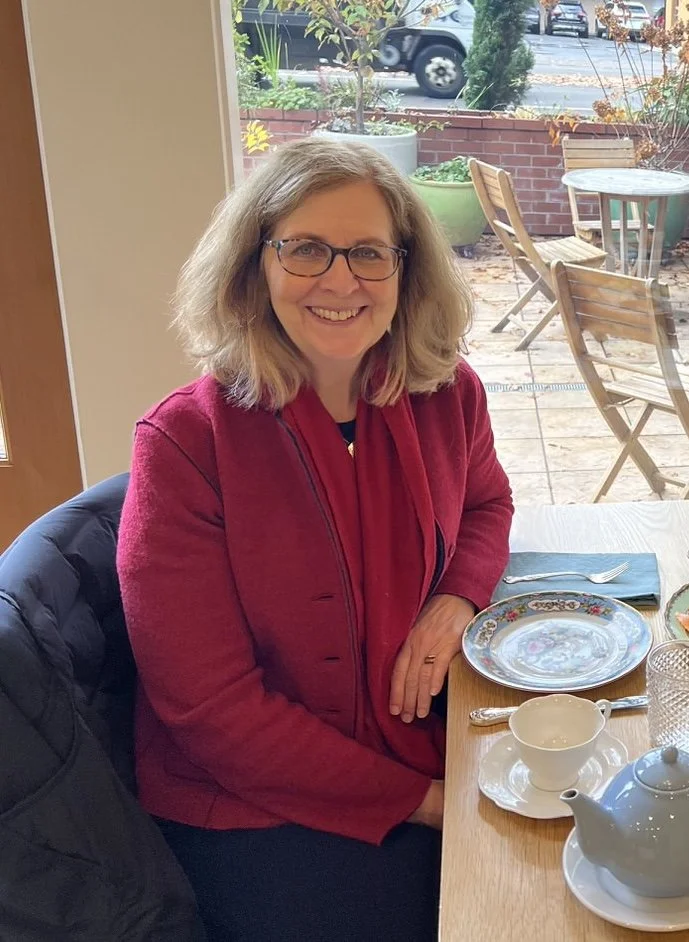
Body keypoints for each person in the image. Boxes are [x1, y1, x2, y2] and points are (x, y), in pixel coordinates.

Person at [116, 137, 513, 942]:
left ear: (406, 273)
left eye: (369, 253)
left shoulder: (447, 393)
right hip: (255, 804)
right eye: (305, 249)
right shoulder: (186, 444)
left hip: (421, 744)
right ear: (256, 265)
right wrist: (432, 805)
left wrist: (453, 601)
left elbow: (486, 506)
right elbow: (212, 712)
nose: (340, 281)